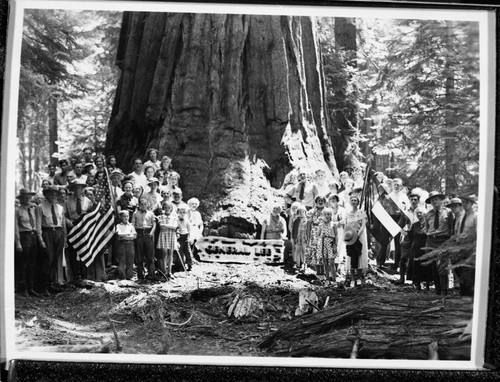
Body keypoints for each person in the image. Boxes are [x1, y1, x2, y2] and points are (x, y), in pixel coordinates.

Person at [36, 185, 66, 296]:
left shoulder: (60, 208)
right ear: (46, 195)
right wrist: (40, 240)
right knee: (47, 261)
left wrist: (64, 238)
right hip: (47, 233)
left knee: (54, 261)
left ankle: (50, 285)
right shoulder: (40, 207)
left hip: (58, 234)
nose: (54, 196)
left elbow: (62, 225)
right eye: (51, 194)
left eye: (56, 194)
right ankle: (43, 287)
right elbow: (38, 225)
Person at [424, 191, 453, 295]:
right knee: (433, 266)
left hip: (443, 241)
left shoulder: (448, 213)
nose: (434, 201)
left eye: (436, 199)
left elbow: (451, 228)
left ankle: (444, 290)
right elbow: (427, 229)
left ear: (441, 201)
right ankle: (438, 289)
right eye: (432, 200)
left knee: (442, 266)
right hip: (431, 241)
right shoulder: (428, 214)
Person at [65, 180, 93, 281]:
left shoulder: (87, 201)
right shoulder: (67, 201)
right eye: (75, 188)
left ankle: (84, 275)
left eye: (79, 188)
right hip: (72, 228)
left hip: (84, 229)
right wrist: (69, 222)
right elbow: (64, 216)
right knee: (73, 252)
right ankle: (75, 276)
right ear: (72, 189)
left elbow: (91, 215)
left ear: (82, 189)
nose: (77, 190)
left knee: (84, 251)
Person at [15, 188, 40, 297]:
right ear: (20, 199)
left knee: (32, 263)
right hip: (23, 236)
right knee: (23, 264)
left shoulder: (33, 209)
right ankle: (23, 288)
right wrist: (18, 242)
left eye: (29, 197)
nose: (27, 199)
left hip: (33, 236)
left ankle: (31, 288)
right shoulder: (17, 210)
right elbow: (15, 228)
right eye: (24, 197)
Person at [395, 191, 422, 285]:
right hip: (408, 237)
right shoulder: (405, 213)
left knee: (416, 258)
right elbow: (399, 226)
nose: (413, 201)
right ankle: (401, 278)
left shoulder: (422, 212)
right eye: (412, 199)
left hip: (418, 238)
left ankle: (416, 280)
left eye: (415, 199)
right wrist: (404, 233)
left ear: (419, 201)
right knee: (403, 258)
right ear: (409, 200)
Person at [344, 194, 368, 287]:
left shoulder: (361, 212)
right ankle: (352, 278)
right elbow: (346, 225)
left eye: (355, 200)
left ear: (358, 202)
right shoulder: (348, 213)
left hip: (359, 235)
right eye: (352, 200)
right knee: (351, 256)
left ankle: (358, 277)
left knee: (359, 255)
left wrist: (358, 234)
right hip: (350, 236)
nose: (354, 202)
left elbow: (363, 224)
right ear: (350, 202)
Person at [407, 207, 432, 291]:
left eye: (420, 212)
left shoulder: (428, 224)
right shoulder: (414, 225)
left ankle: (428, 284)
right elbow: (410, 236)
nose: (419, 214)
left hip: (425, 247)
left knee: (426, 265)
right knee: (416, 266)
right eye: (417, 213)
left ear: (425, 214)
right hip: (416, 248)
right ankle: (417, 284)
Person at [132, 197, 157, 280]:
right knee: (139, 256)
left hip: (148, 234)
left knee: (150, 255)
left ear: (147, 205)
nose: (143, 206)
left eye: (145, 204)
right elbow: (133, 224)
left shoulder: (151, 213)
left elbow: (154, 224)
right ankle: (140, 274)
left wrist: (151, 233)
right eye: (141, 204)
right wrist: (135, 232)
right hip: (139, 234)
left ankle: (151, 274)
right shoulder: (135, 214)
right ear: (139, 205)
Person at [156, 201, 178, 281]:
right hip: (164, 236)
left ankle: (170, 271)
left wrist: (168, 226)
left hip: (171, 236)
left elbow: (175, 226)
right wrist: (170, 226)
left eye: (169, 208)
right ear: (163, 208)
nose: (167, 209)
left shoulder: (174, 217)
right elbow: (162, 226)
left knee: (170, 254)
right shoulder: (161, 217)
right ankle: (164, 271)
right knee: (164, 254)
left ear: (171, 208)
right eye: (165, 208)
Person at [305, 196, 327, 272]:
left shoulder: (327, 212)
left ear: (325, 202)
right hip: (315, 234)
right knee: (315, 251)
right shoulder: (311, 212)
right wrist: (308, 238)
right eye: (319, 201)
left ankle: (324, 271)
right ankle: (316, 271)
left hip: (325, 233)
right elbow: (308, 225)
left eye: (322, 201)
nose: (320, 202)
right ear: (316, 202)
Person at [316, 207, 338, 283]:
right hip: (323, 243)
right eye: (325, 214)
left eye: (328, 214)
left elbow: (336, 235)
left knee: (331, 262)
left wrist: (335, 245)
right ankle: (327, 278)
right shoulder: (321, 225)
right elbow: (318, 234)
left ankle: (334, 278)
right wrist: (320, 237)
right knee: (325, 262)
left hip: (331, 243)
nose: (326, 216)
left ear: (331, 215)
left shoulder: (333, 224)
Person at [115, 210, 137, 280]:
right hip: (122, 244)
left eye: (127, 216)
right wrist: (128, 234)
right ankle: (122, 276)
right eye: (124, 216)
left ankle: (129, 276)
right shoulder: (118, 226)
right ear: (121, 217)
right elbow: (119, 234)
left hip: (130, 243)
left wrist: (125, 236)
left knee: (130, 260)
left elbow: (134, 235)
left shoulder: (131, 226)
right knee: (122, 260)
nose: (126, 218)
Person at [176, 203, 194, 271]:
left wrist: (190, 237)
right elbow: (176, 228)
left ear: (186, 213)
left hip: (185, 237)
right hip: (179, 237)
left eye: (184, 212)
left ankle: (190, 264)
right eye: (180, 212)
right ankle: (181, 265)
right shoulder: (176, 220)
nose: (182, 214)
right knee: (180, 252)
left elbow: (189, 229)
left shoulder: (187, 220)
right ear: (178, 212)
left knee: (188, 251)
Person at [291, 204, 308, 271]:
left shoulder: (307, 220)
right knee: (298, 251)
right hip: (298, 238)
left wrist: (308, 238)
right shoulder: (296, 220)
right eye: (299, 212)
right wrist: (293, 238)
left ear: (305, 212)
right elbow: (293, 230)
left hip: (304, 238)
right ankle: (298, 265)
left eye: (302, 212)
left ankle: (304, 265)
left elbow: (308, 230)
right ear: (297, 213)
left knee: (304, 252)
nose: (301, 214)